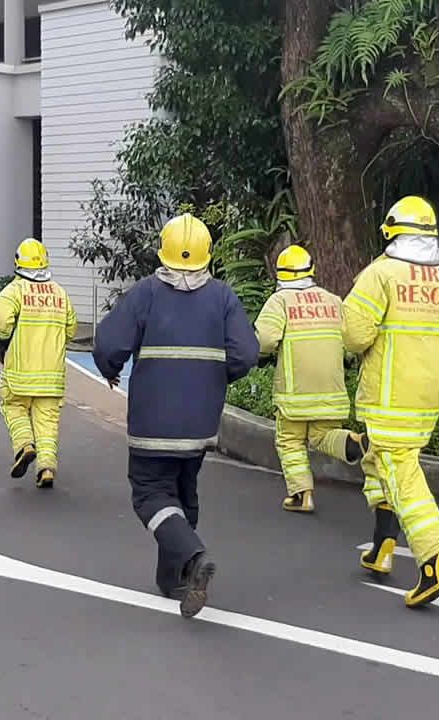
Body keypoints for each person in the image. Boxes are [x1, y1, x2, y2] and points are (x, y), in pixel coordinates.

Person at [93, 213, 259, 618]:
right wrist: (215, 378)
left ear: (162, 252)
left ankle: (193, 557)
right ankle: (173, 579)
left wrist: (111, 368)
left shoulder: (145, 293)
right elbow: (247, 353)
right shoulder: (222, 297)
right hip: (200, 423)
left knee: (150, 493)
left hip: (153, 421)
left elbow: (109, 343)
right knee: (183, 491)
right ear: (208, 255)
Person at [343, 195, 439, 609]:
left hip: (387, 400)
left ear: (391, 232)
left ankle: (434, 563)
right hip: (426, 403)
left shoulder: (381, 275)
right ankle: (382, 546)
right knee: (379, 465)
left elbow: (354, 336)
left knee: (401, 474)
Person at [254, 245, 366, 513]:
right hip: (331, 391)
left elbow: (265, 341)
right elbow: (353, 341)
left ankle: (301, 495)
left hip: (295, 393)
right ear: (311, 270)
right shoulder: (333, 300)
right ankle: (354, 442)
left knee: (289, 441)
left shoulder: (279, 301)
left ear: (280, 274)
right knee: (322, 436)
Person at [0, 238, 77, 489]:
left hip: (19, 371)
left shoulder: (14, 291)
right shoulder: (60, 293)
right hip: (51, 376)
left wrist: (3, 341)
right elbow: (70, 328)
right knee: (48, 421)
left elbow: (1, 317)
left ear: (18, 262)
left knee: (13, 406)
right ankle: (47, 468)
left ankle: (25, 445)